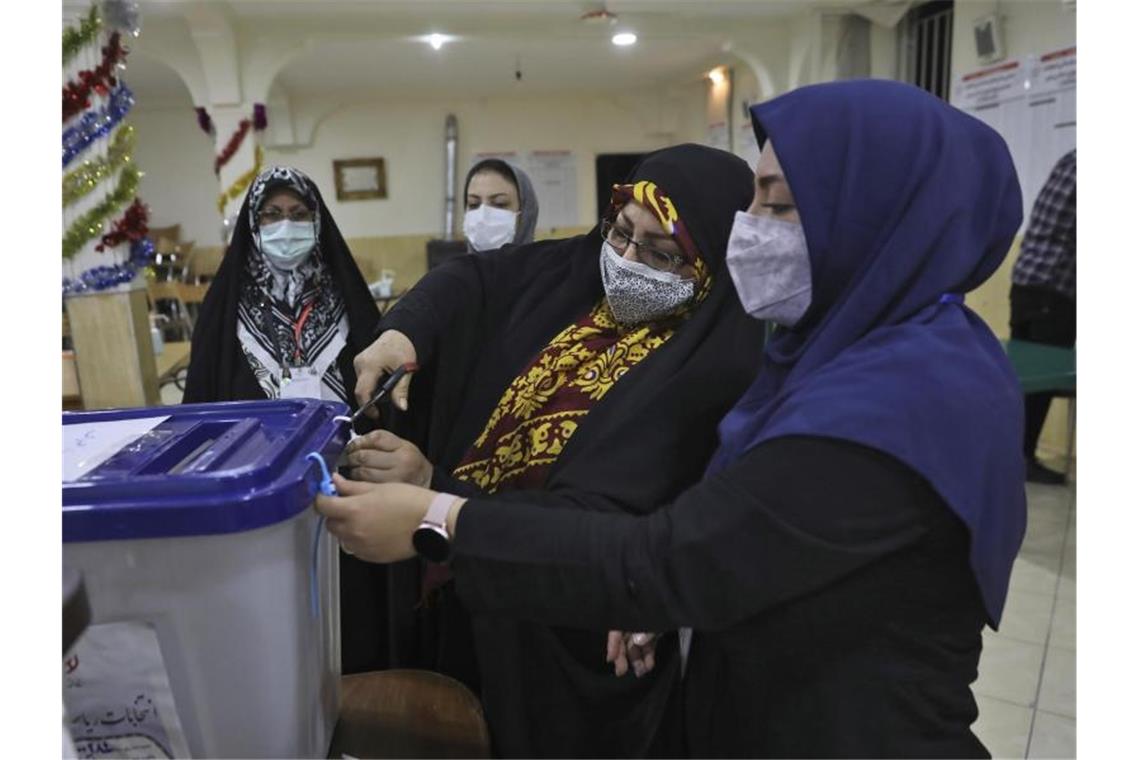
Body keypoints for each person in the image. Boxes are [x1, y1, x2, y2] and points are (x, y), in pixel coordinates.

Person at [316, 80, 1029, 758]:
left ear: (872, 217)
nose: (749, 229)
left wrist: (437, 518)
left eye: (778, 207)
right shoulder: (881, 345)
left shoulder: (890, 405)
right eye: (754, 200)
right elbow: (744, 544)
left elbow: (666, 558)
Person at [348, 144, 766, 757]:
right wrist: (402, 332)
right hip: (474, 597)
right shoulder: (576, 278)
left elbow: (598, 521)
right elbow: (473, 279)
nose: (627, 261)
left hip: (571, 655)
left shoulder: (711, 372)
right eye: (621, 232)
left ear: (713, 268)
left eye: (661, 253)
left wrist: (437, 493)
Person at [181, 165, 388, 675]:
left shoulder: (348, 301)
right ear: (253, 224)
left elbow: (385, 396)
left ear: (318, 222)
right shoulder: (225, 311)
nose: (285, 227)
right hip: (259, 498)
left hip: (348, 489)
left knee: (352, 627)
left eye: (298, 215)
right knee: (275, 635)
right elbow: (200, 409)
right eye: (271, 215)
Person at [1009, 149, 1076, 485]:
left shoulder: (1071, 158)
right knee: (1042, 377)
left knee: (1023, 374)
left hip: (1027, 281)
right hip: (1053, 286)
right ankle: (1023, 458)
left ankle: (1013, 454)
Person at [462, 158, 539, 252]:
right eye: (473, 204)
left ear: (526, 213)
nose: (483, 217)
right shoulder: (453, 266)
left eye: (500, 204)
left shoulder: (550, 266)